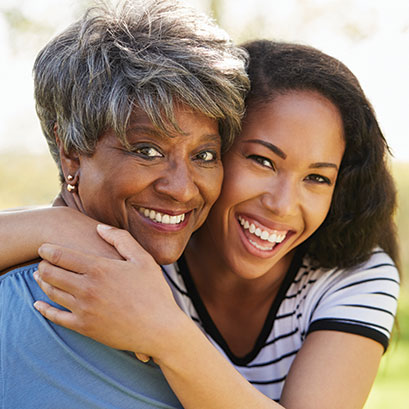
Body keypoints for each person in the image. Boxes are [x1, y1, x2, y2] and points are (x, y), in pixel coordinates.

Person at [1, 40, 400, 409]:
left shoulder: (354, 277)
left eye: (317, 178)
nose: (282, 205)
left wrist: (165, 332)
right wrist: (56, 226)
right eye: (262, 161)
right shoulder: (159, 233)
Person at [0, 0, 249, 407]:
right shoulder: (37, 312)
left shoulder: (177, 287)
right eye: (147, 150)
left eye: (205, 155)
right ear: (71, 152)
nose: (183, 190)